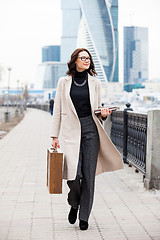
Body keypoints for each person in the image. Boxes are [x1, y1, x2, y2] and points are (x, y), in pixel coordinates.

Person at [51, 48, 123, 231]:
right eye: (83, 58)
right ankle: (74, 202)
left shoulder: (95, 82)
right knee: (73, 174)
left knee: (89, 176)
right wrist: (54, 136)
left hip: (91, 129)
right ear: (74, 60)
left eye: (89, 58)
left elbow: (97, 110)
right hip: (70, 131)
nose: (87, 61)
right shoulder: (63, 82)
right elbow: (57, 110)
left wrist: (104, 114)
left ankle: (84, 217)